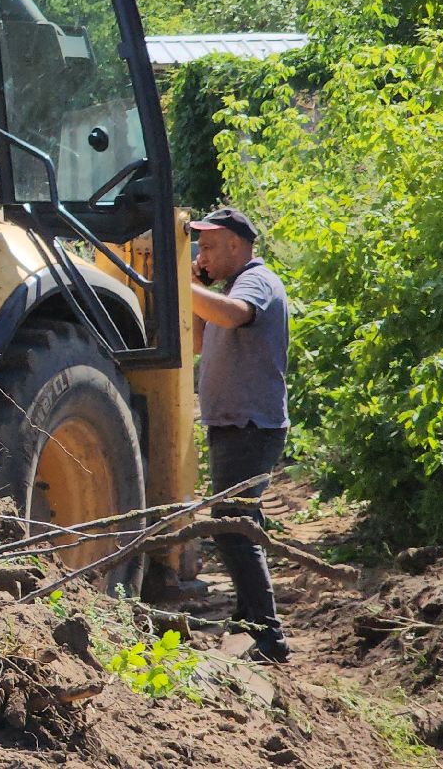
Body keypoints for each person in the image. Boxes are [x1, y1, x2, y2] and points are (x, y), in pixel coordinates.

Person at [189, 206, 292, 663]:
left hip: (250, 427)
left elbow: (232, 317)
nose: (202, 255)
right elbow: (196, 340)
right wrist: (195, 289)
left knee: (232, 530)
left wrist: (182, 286)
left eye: (209, 246)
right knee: (239, 526)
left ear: (236, 245)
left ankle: (269, 634)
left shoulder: (255, 281)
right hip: (234, 424)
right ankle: (248, 618)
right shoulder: (229, 286)